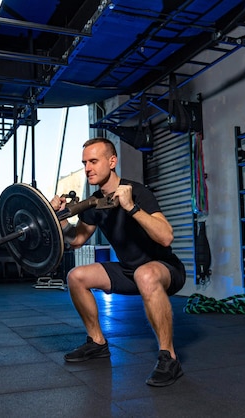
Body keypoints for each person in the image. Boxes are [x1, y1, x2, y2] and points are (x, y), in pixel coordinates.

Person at [51, 137, 186, 387]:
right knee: (76, 277)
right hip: (129, 271)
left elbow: (166, 237)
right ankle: (97, 343)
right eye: (84, 163)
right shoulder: (94, 201)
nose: (87, 168)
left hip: (163, 268)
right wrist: (58, 217)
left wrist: (132, 208)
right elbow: (77, 239)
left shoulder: (138, 192)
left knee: (145, 274)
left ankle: (169, 358)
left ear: (112, 161)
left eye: (93, 161)